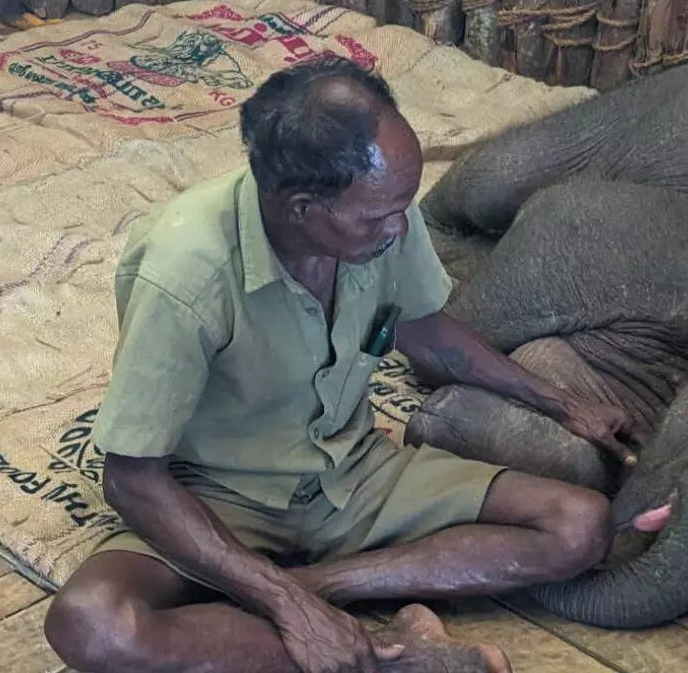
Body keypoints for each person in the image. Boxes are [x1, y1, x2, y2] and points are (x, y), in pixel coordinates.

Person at [43, 55, 638, 673]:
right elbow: (132, 479)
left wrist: (561, 403)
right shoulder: (183, 270)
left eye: (403, 204)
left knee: (578, 525)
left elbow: (423, 328)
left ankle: (321, 592)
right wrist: (283, 602)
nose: (401, 226)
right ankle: (390, 658)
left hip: (355, 474)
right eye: (380, 214)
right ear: (303, 208)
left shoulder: (381, 216)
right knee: (93, 623)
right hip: (223, 499)